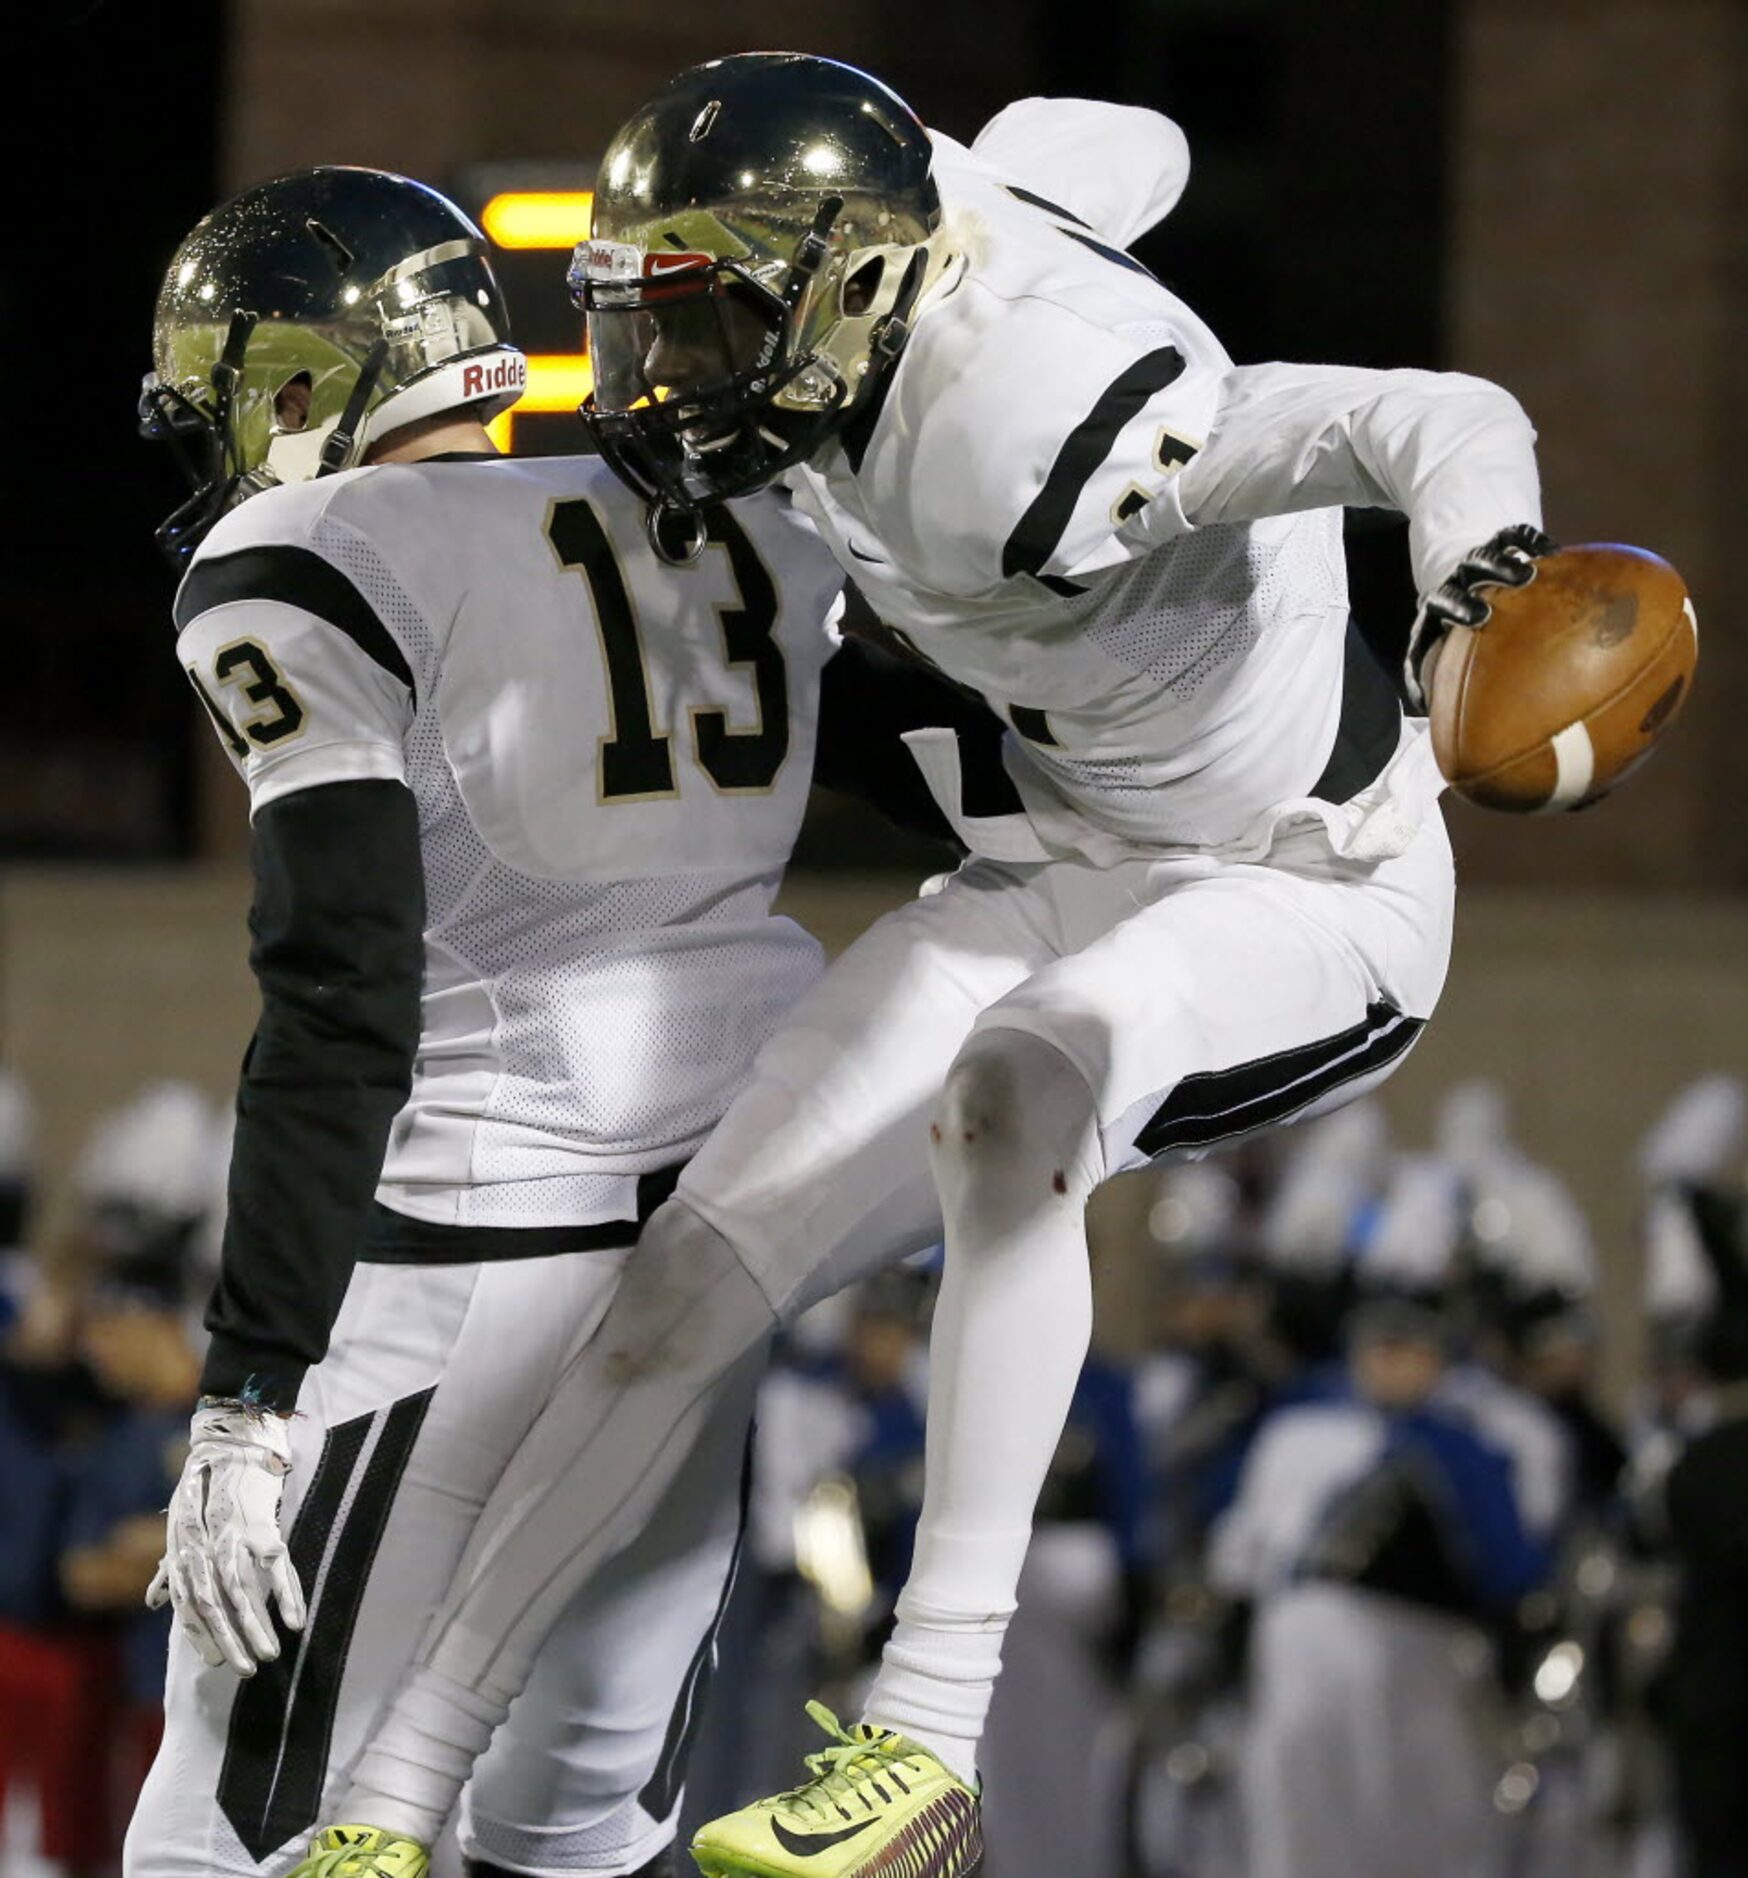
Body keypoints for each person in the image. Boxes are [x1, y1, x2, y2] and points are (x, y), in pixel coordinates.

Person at [310, 56, 1557, 1877]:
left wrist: (1482, 590)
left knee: (1017, 1085)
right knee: (680, 1283)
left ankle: (925, 1745)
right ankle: (389, 1804)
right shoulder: (891, 228)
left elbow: (1435, 415)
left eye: (717, 315)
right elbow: (1126, 143)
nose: (674, 370)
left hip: (1309, 881)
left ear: (865, 288)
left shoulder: (1045, 421)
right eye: (655, 315)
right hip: (1051, 857)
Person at [130, 163, 984, 1878]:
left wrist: (247, 1387)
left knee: (240, 1842)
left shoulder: (320, 553)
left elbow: (341, 987)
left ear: (295, 385)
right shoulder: (743, 508)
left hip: (453, 1264)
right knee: (568, 1825)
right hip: (700, 1264)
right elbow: (968, 773)